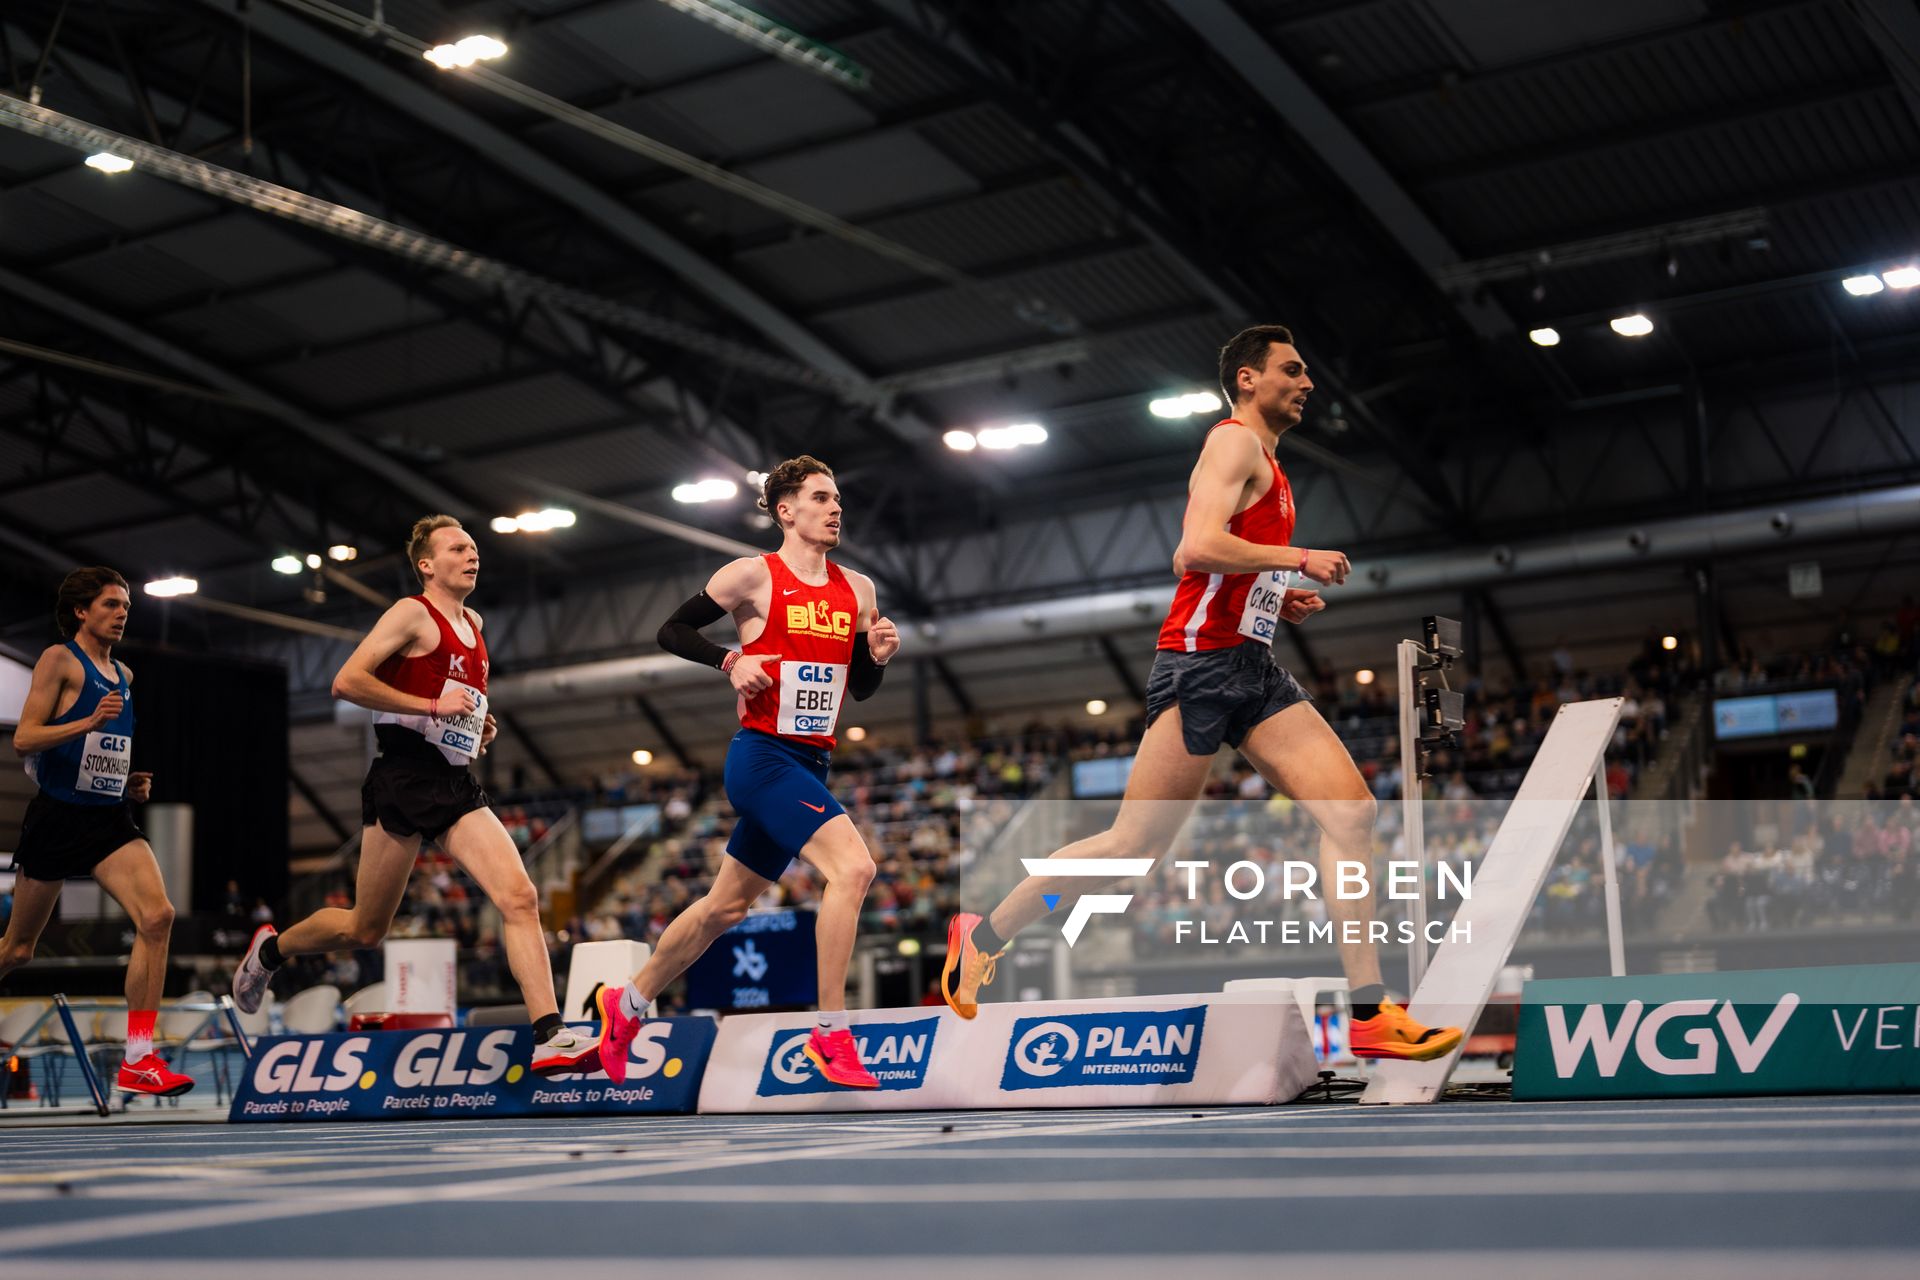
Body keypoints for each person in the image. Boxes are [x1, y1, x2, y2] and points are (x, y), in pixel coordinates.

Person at [940, 324, 1463, 1062]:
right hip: (1198, 667)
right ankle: (982, 935)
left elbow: (1224, 563)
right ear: (1248, 379)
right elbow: (1194, 547)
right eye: (1292, 369)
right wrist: (1297, 558)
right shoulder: (1233, 443)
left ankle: (1370, 1013)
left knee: (1351, 812)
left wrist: (1274, 595)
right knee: (1132, 848)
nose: (1308, 382)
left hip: (1252, 666)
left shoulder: (1273, 466)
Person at [230, 517, 595, 1075]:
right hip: (401, 778)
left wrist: (478, 724)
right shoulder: (410, 613)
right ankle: (270, 951)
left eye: (474, 547)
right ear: (426, 564)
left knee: (519, 897)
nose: (472, 555)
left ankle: (548, 1034)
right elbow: (347, 682)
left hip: (454, 783)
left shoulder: (474, 623)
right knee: (364, 929)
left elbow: (453, 701)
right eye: (457, 548)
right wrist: (429, 709)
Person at [595, 456, 899, 1088]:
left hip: (812, 761)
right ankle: (831, 1033)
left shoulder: (859, 590)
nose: (835, 507)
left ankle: (624, 1005)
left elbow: (860, 690)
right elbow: (671, 629)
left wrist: (876, 656)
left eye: (838, 497)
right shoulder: (753, 576)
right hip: (761, 757)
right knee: (855, 868)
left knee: (724, 907)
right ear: (786, 510)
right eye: (821, 497)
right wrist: (730, 661)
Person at [0, 568, 191, 1096]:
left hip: (107, 817)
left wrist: (124, 782)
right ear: (82, 611)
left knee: (158, 916)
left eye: (126, 605)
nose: (122, 612)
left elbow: (95, 755)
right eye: (110, 604)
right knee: (16, 952)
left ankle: (138, 1058)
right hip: (57, 818)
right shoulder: (59, 659)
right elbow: (26, 739)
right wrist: (86, 722)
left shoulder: (125, 676)